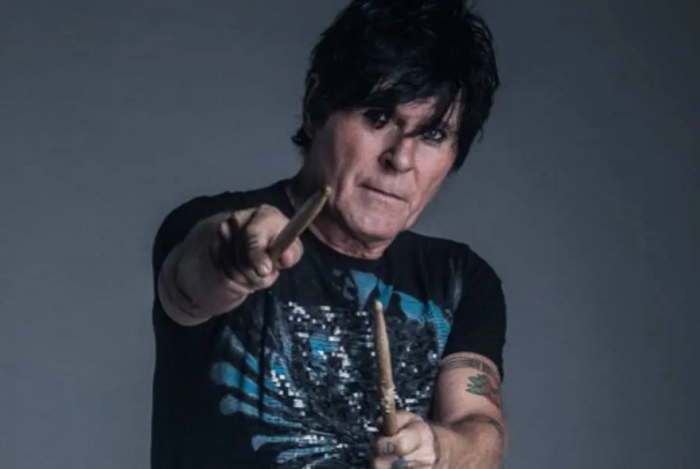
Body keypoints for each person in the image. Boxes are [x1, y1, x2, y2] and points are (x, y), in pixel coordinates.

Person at [149, 0, 508, 468]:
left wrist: (438, 448)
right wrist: (234, 258)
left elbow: (480, 429)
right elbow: (188, 286)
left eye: (433, 135)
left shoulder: (460, 278)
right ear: (316, 108)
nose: (401, 158)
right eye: (378, 117)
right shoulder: (210, 227)